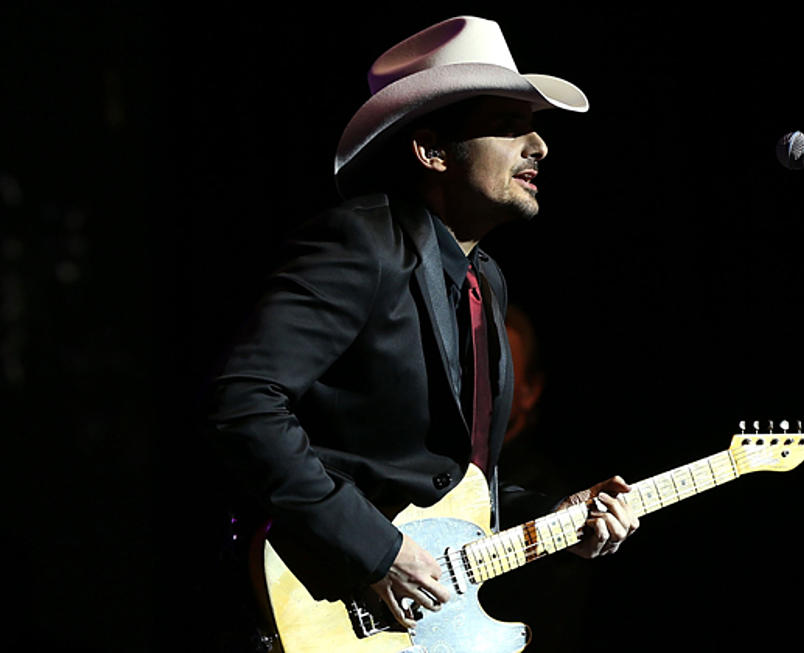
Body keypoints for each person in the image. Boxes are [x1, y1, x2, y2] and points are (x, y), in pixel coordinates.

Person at [207, 15, 639, 635]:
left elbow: (441, 488)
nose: (539, 146)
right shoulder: (361, 241)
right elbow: (241, 401)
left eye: (535, 130)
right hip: (311, 605)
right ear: (433, 151)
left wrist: (558, 518)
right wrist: (375, 550)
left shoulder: (482, 279)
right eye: (506, 126)